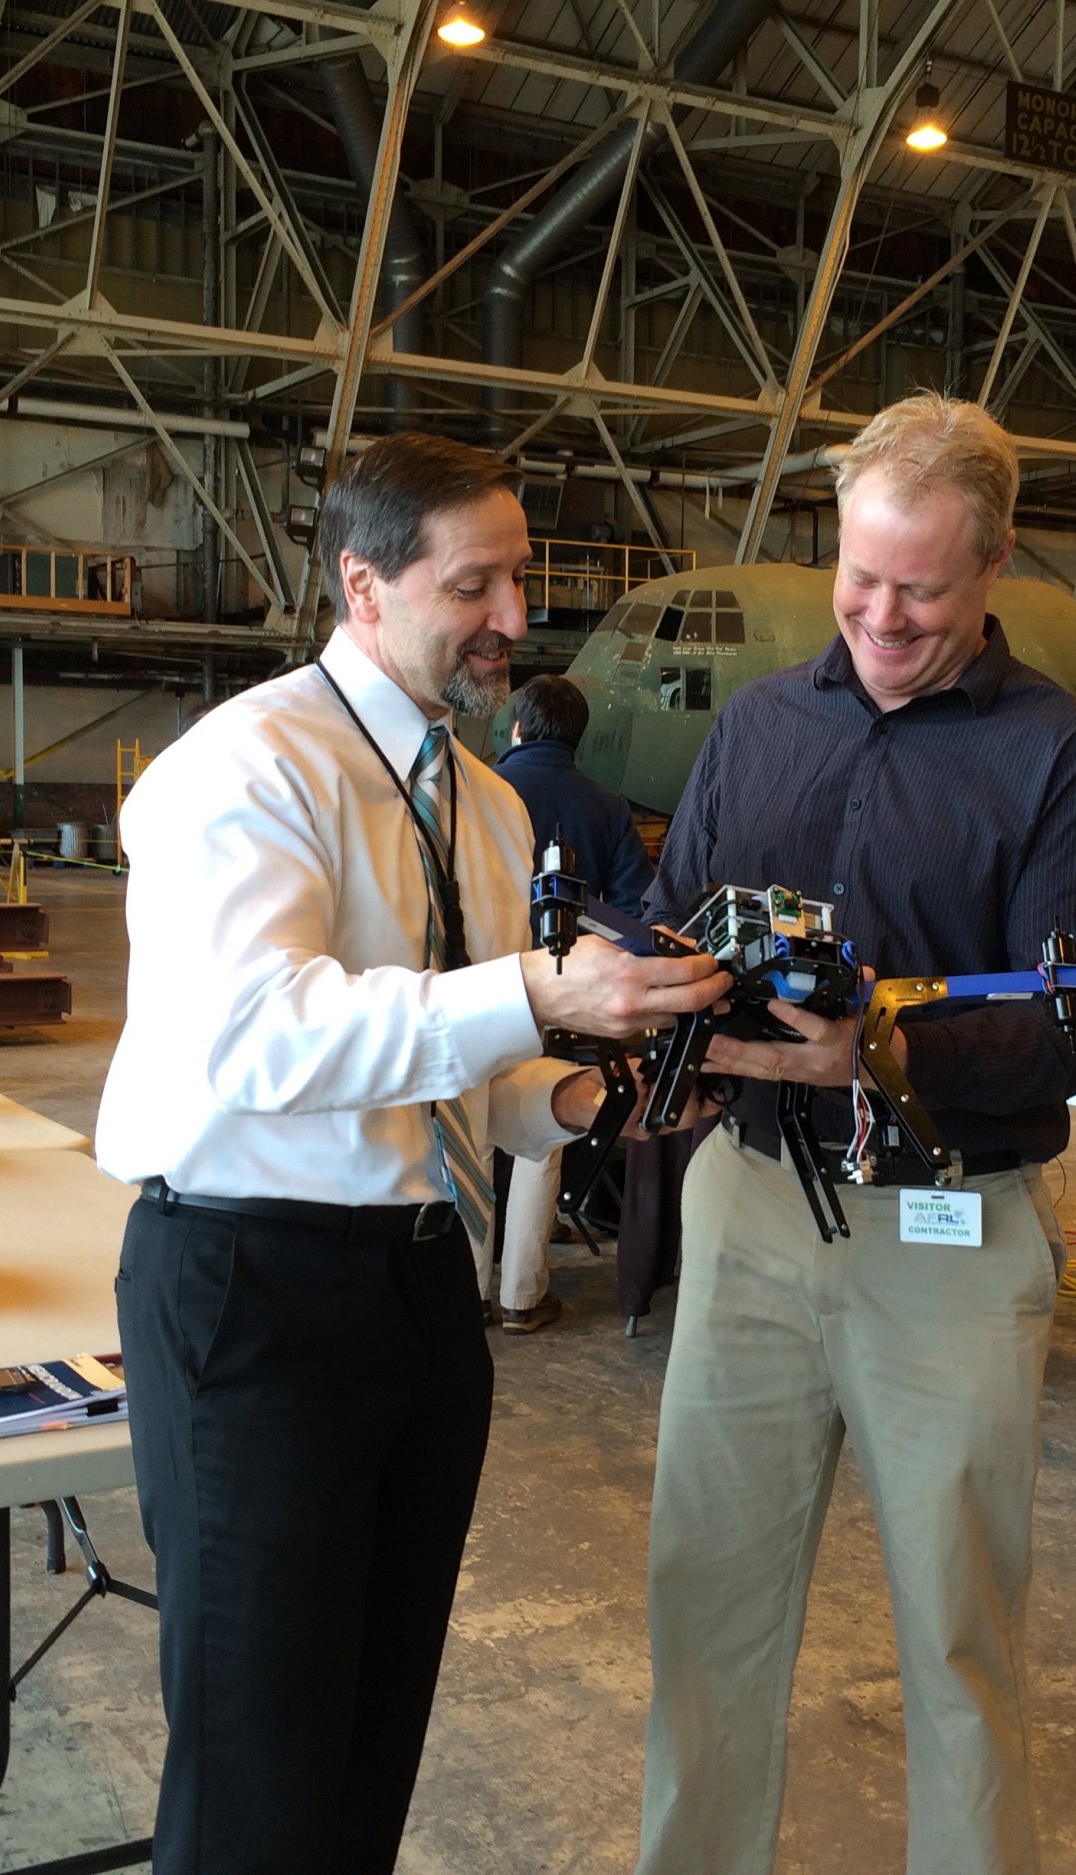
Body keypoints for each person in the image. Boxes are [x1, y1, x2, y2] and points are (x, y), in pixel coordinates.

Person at [96, 431, 729, 1875]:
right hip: (252, 1288)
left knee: (374, 1732)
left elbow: (463, 1085)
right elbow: (258, 1038)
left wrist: (591, 1104)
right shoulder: (249, 768)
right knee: (257, 1754)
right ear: (363, 586)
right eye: (476, 583)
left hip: (421, 1294)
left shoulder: (487, 803)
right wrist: (535, 993)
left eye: (519, 579)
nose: (514, 618)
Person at [637, 392, 1076, 1875]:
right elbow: (685, 915)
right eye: (863, 575)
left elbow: (1071, 1023)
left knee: (958, 1614)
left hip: (952, 1226)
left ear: (991, 576)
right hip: (751, 1200)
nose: (883, 613)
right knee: (704, 1587)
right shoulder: (758, 725)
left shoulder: (1057, 758)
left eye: (921, 587)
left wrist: (885, 1043)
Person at [488, 673, 657, 1332]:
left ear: (518, 729)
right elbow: (634, 907)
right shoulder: (607, 805)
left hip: (483, 981)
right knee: (542, 1133)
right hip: (564, 998)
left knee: (465, 1117)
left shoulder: (479, 790)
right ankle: (521, 1296)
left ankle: (467, 1285)